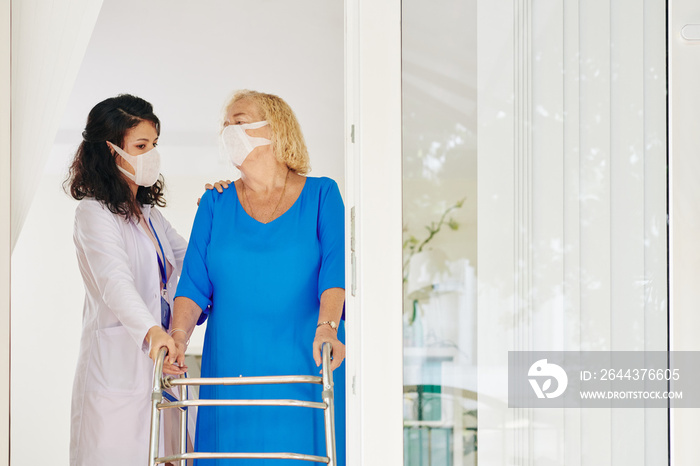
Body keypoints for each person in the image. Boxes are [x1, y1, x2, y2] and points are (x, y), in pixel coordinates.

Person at [162, 90, 346, 465]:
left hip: (304, 360)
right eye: (226, 125)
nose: (230, 131)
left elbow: (334, 271)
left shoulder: (322, 195)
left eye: (240, 121)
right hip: (231, 369)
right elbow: (193, 286)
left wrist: (328, 326)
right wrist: (178, 337)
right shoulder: (215, 202)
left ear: (275, 129)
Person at [66, 94, 194, 465]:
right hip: (116, 374)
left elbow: (193, 263)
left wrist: (219, 211)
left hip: (160, 368)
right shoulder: (93, 214)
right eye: (140, 146)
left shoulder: (150, 216)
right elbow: (115, 282)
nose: (151, 155)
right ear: (109, 152)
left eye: (153, 145)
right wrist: (153, 332)